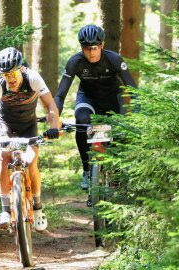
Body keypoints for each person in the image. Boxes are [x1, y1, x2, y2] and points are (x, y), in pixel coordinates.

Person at [0, 47, 60, 231]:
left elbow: (50, 104)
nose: (9, 78)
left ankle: (37, 206)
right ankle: (5, 210)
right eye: (5, 74)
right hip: (5, 124)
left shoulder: (33, 78)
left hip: (28, 125)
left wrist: (53, 127)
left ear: (21, 69)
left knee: (32, 161)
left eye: (12, 73)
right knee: (4, 157)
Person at [54, 24, 137, 191]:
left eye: (94, 47)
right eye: (86, 48)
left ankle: (117, 174)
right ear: (81, 47)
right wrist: (54, 118)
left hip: (113, 99)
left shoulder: (114, 59)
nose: (91, 52)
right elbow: (60, 95)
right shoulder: (75, 62)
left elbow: (133, 90)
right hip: (88, 98)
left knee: (119, 135)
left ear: (102, 45)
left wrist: (139, 114)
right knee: (82, 122)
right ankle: (87, 171)